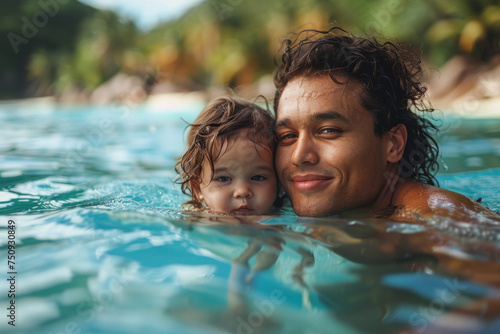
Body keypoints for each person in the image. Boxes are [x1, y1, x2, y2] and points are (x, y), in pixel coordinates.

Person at [273, 27, 498, 221]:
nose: (299, 156)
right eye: (287, 136)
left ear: (393, 144)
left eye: (328, 131)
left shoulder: (433, 218)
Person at [175, 96, 280, 215]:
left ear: (278, 182)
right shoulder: (199, 223)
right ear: (198, 189)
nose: (242, 191)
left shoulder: (283, 217)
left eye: (257, 177)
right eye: (223, 179)